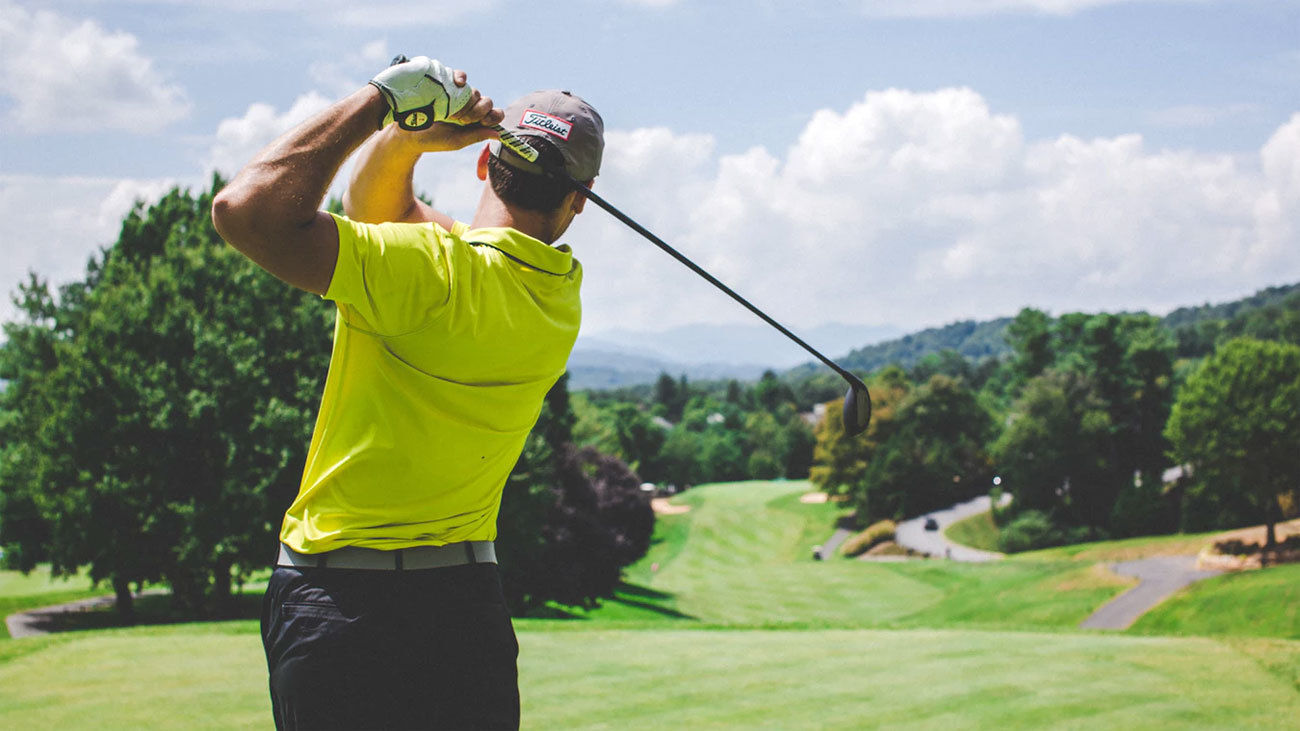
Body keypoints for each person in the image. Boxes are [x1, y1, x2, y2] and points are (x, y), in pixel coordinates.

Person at [211, 55, 604, 730]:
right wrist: (402, 141)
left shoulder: (424, 275)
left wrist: (385, 104)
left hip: (336, 603)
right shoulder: (556, 300)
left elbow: (244, 211)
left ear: (484, 163)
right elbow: (387, 213)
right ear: (579, 200)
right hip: (466, 612)